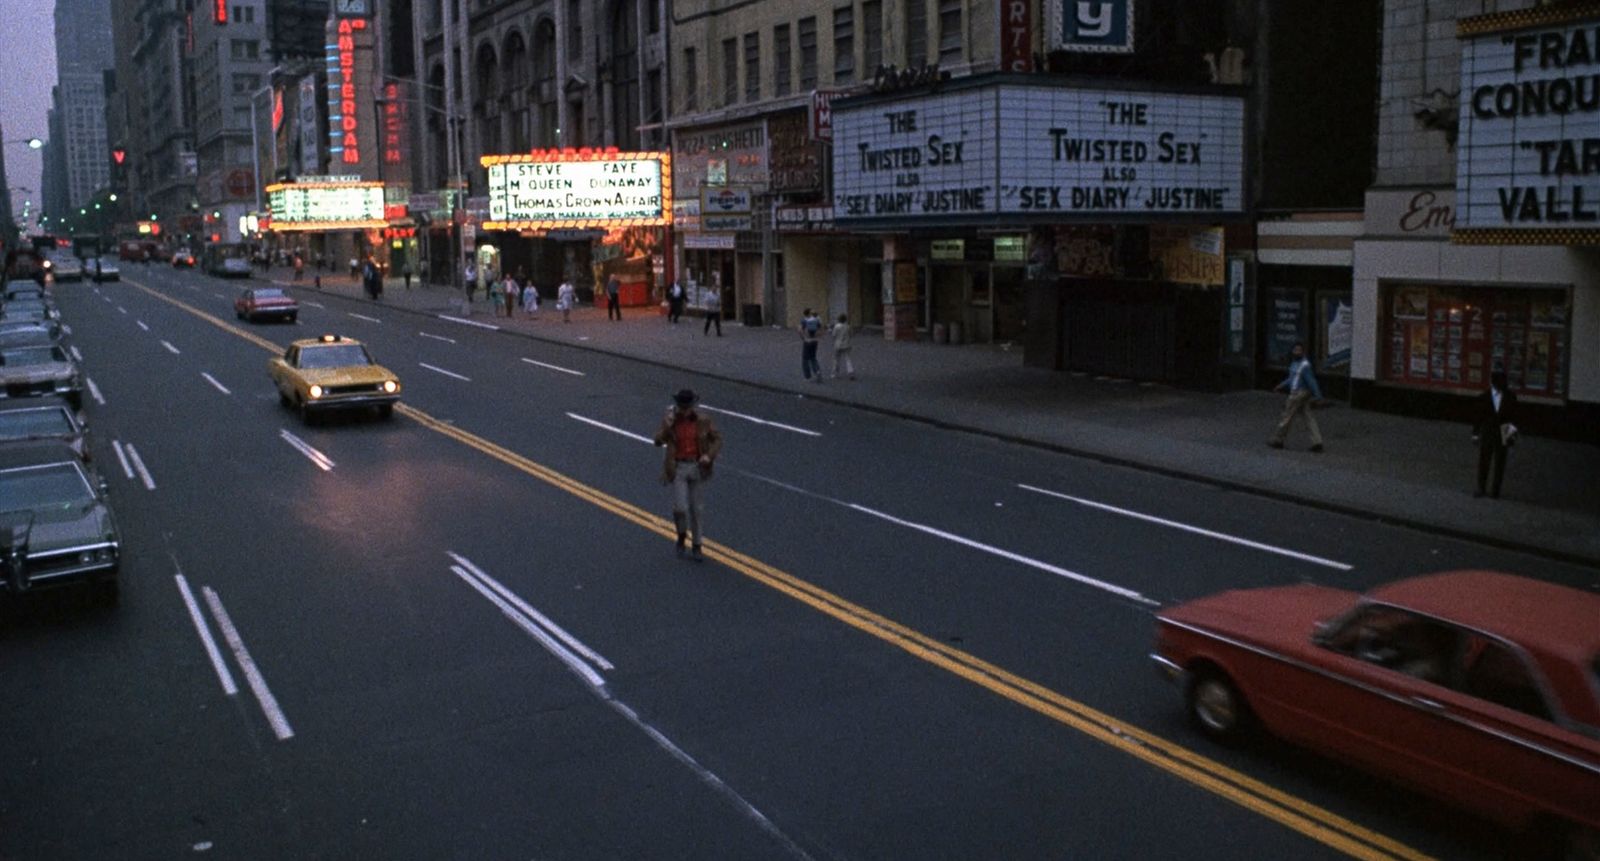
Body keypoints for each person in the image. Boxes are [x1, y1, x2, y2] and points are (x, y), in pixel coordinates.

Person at [652, 388, 722, 560]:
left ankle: (697, 545)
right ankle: (681, 535)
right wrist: (668, 428)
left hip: (697, 466)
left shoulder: (703, 420)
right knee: (680, 508)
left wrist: (709, 455)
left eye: (687, 407)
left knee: (696, 509)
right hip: (678, 468)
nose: (684, 411)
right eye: (681, 407)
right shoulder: (671, 420)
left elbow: (717, 439)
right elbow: (657, 441)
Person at [1268, 342, 1324, 452]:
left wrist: (1318, 395)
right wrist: (1281, 385)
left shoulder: (1305, 365)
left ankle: (1278, 440)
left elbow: (1311, 381)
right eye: (1295, 350)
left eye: (1299, 350)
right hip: (1301, 393)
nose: (1297, 352)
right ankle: (1317, 442)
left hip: (1298, 393)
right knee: (1308, 417)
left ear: (1303, 352)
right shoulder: (1294, 364)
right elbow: (1291, 379)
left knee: (1287, 416)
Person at [1474, 369, 1518, 499]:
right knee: (1486, 462)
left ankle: (1493, 490)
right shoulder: (1487, 397)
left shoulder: (1505, 397)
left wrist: (1510, 438)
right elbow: (1479, 417)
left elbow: (1513, 418)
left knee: (1498, 463)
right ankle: (1484, 488)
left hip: (1499, 431)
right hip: (1493, 432)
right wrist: (1476, 433)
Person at [799, 308, 824, 382]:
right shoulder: (816, 320)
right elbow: (821, 329)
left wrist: (803, 338)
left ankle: (807, 377)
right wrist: (818, 337)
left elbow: (800, 330)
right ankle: (817, 371)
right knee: (813, 357)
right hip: (815, 341)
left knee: (805, 359)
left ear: (804, 314)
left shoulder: (804, 321)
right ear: (810, 313)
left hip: (807, 341)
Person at [831, 313, 856, 379]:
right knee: (848, 359)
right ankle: (851, 372)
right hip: (847, 344)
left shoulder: (836, 326)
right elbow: (851, 334)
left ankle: (834, 374)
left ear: (838, 319)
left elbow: (833, 335)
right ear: (845, 320)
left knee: (836, 359)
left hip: (838, 345)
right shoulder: (848, 326)